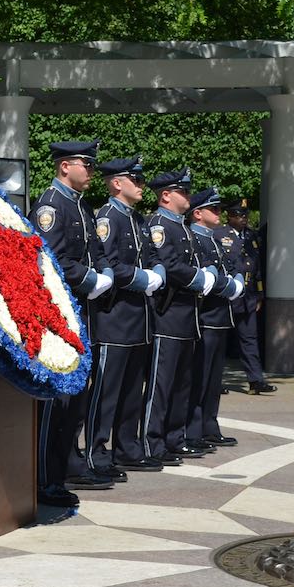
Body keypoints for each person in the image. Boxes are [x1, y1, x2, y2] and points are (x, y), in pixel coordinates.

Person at [32, 140, 118, 506]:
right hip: (59, 316)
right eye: (87, 164)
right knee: (56, 404)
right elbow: (49, 259)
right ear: (65, 165)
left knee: (75, 401)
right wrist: (89, 279)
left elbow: (95, 253)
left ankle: (64, 467)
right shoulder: (52, 205)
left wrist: (105, 273)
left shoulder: (80, 206)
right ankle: (43, 480)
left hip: (81, 315)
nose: (92, 172)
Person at [144, 168, 233, 463]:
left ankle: (174, 438)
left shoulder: (181, 226)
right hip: (169, 313)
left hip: (188, 315)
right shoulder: (159, 223)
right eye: (183, 192)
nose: (189, 197)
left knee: (182, 384)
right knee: (162, 385)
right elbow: (169, 265)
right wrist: (199, 278)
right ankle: (153, 443)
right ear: (166, 195)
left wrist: (209, 275)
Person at [85, 155, 165, 474]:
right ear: (118, 183)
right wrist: (144, 278)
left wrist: (157, 270)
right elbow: (108, 263)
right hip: (115, 317)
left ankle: (127, 446)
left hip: (139, 319)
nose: (143, 185)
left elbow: (154, 254)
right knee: (107, 392)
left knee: (132, 389)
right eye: (137, 180)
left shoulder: (138, 219)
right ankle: (96, 450)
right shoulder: (108, 217)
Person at [188, 188, 245, 448]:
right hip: (205, 316)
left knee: (213, 379)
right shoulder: (195, 239)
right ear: (198, 214)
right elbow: (206, 277)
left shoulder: (213, 238)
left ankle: (210, 425)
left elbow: (233, 267)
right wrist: (229, 286)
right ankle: (195, 428)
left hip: (221, 316)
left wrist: (239, 280)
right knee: (199, 376)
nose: (219, 213)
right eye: (215, 209)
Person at [224, 202, 274, 394]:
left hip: (248, 296)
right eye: (238, 215)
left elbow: (257, 267)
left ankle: (255, 380)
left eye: (245, 215)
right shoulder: (220, 235)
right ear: (230, 216)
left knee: (249, 338)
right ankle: (214, 381)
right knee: (220, 340)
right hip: (228, 295)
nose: (243, 218)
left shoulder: (251, 236)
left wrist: (260, 293)